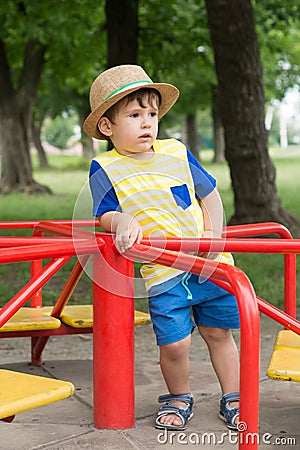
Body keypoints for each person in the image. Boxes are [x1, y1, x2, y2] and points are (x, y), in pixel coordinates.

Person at [84, 65, 240, 431]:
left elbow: (211, 195)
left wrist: (216, 238)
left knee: (219, 333)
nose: (147, 123)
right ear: (107, 127)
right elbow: (105, 213)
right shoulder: (105, 166)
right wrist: (123, 222)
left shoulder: (176, 152)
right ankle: (178, 396)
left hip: (207, 262)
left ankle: (233, 396)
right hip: (163, 271)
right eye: (135, 115)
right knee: (174, 345)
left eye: (152, 114)